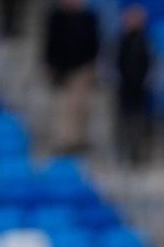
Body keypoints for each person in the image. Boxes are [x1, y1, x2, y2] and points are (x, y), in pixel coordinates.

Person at [43, 0, 101, 153]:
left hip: (82, 68)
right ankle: (65, 141)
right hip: (62, 69)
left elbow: (94, 43)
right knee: (63, 106)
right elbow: (50, 43)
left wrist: (92, 66)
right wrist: (50, 65)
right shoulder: (56, 18)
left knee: (81, 106)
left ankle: (80, 139)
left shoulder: (88, 18)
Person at [114, 5, 155, 167]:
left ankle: (137, 152)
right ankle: (122, 151)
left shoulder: (146, 42)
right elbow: (115, 64)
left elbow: (151, 65)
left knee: (139, 121)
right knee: (123, 120)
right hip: (124, 89)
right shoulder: (121, 41)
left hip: (141, 90)